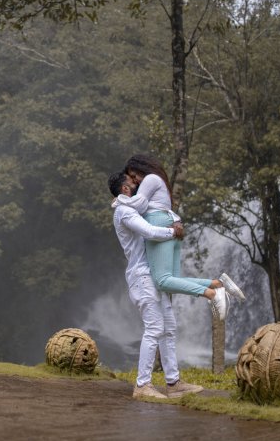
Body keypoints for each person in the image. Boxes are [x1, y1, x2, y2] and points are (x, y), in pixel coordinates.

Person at [109, 171, 204, 400]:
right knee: (154, 329)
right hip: (142, 277)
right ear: (125, 189)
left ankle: (173, 383)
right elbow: (150, 232)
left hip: (152, 276)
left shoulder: (131, 207)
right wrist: (173, 231)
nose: (138, 184)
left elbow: (156, 207)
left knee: (168, 328)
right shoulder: (124, 212)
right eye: (133, 182)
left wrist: (173, 217)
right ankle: (142, 385)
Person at [118, 154, 246, 320]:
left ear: (141, 167)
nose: (135, 182)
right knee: (173, 282)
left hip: (157, 223)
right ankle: (218, 284)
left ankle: (212, 294)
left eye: (134, 176)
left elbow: (140, 204)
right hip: (169, 221)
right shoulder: (158, 181)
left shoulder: (150, 178)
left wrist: (119, 200)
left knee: (162, 281)